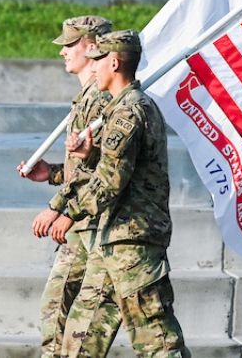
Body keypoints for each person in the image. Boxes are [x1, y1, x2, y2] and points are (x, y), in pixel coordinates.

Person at [62, 30, 189, 358]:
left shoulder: (130, 112)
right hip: (112, 242)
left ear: (114, 62)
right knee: (79, 338)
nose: (93, 68)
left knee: (157, 342)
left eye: (98, 61)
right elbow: (115, 169)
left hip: (133, 245)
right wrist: (88, 155)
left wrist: (67, 213)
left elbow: (109, 182)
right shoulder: (122, 109)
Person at [17, 15, 116, 358]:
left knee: (70, 323)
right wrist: (54, 173)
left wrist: (60, 209)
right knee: (58, 316)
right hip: (84, 224)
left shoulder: (102, 100)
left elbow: (107, 172)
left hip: (95, 226)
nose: (63, 51)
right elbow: (87, 166)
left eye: (70, 44)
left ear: (92, 48)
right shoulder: (88, 98)